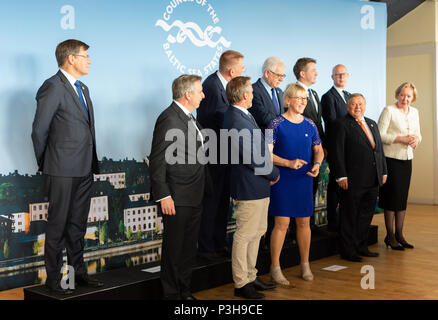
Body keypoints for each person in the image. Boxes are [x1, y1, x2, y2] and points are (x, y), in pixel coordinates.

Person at [31, 39, 103, 295]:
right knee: (58, 226)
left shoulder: (83, 88)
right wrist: (47, 163)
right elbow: (39, 131)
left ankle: (77, 274)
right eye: (85, 56)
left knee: (77, 226)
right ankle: (53, 280)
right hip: (60, 168)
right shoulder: (52, 87)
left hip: (84, 168)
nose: (89, 60)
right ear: (70, 58)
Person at [149, 74, 210, 300]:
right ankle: (171, 295)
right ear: (188, 94)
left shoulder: (189, 117)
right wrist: (163, 195)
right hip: (176, 196)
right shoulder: (169, 118)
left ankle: (184, 292)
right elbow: (158, 160)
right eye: (200, 91)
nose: (204, 95)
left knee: (187, 250)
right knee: (174, 251)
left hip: (195, 193)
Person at [223, 76, 280, 300]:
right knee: (245, 234)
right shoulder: (236, 119)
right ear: (245, 95)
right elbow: (252, 157)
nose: (254, 96)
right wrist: (273, 173)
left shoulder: (242, 115)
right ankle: (241, 282)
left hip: (257, 184)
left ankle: (250, 275)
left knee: (257, 232)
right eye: (252, 93)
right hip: (249, 185)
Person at [267, 84, 324, 285]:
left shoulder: (311, 124)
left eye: (305, 99)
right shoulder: (274, 123)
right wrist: (288, 163)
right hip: (283, 180)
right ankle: (275, 267)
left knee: (304, 223)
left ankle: (305, 264)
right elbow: (266, 153)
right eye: (298, 98)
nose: (302, 102)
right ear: (288, 100)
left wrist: (317, 164)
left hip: (304, 178)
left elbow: (319, 149)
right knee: (281, 224)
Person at [196, 50, 245, 260]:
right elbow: (215, 120)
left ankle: (218, 242)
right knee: (212, 201)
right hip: (214, 154)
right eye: (242, 69)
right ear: (232, 71)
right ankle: (207, 247)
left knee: (222, 201)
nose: (244, 72)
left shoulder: (222, 86)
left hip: (225, 154)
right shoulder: (211, 86)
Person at [332, 94, 387, 262]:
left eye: (361, 104)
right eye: (354, 104)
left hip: (373, 179)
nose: (357, 107)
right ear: (348, 107)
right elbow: (337, 152)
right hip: (352, 180)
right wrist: (341, 175)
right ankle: (348, 251)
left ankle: (361, 246)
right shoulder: (341, 124)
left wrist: (383, 171)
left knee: (365, 215)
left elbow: (379, 150)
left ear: (365, 105)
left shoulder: (371, 123)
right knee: (349, 216)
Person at [378, 82, 421, 250]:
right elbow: (380, 135)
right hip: (391, 159)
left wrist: (416, 140)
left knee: (402, 198)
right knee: (391, 198)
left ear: (413, 98)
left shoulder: (415, 112)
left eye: (409, 96)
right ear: (397, 95)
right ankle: (389, 236)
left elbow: (418, 133)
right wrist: (400, 138)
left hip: (407, 159)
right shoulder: (389, 110)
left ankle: (399, 235)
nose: (405, 99)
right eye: (402, 95)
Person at [321, 64, 351, 232]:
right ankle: (333, 220)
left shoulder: (348, 96)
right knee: (335, 184)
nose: (341, 77)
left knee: (346, 184)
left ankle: (345, 219)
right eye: (337, 75)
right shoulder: (328, 97)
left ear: (347, 76)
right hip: (336, 146)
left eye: (343, 74)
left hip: (349, 147)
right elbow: (332, 123)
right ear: (332, 77)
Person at [249, 57, 286, 130]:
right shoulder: (252, 90)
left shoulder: (280, 92)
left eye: (283, 76)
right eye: (279, 75)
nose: (281, 79)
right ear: (267, 73)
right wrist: (287, 124)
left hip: (279, 138)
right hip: (263, 138)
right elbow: (263, 118)